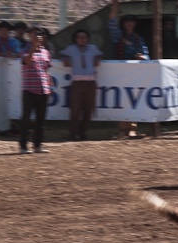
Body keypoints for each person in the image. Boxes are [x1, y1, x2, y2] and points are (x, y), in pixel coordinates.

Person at [108, 0, 148, 139]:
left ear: (134, 24)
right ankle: (121, 128)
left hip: (134, 74)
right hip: (120, 73)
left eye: (131, 21)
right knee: (121, 100)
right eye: (127, 21)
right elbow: (111, 22)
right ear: (124, 24)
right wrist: (115, 6)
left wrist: (142, 57)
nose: (129, 24)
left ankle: (132, 127)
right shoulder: (118, 36)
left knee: (133, 99)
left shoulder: (138, 39)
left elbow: (146, 55)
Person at [59, 29, 102, 141]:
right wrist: (65, 60)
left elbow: (99, 56)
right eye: (79, 37)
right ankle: (73, 133)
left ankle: (83, 132)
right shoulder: (71, 49)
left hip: (90, 82)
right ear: (76, 39)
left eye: (84, 37)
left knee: (88, 109)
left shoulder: (93, 48)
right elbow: (61, 54)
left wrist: (97, 59)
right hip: (77, 82)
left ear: (87, 39)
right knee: (75, 109)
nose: (82, 40)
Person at [18, 27, 53, 154]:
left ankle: (38, 145)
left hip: (43, 89)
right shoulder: (25, 50)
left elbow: (46, 70)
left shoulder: (46, 52)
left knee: (41, 120)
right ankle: (23, 146)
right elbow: (26, 61)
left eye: (39, 36)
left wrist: (50, 86)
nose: (38, 38)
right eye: (34, 36)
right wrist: (33, 48)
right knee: (26, 119)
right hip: (29, 89)